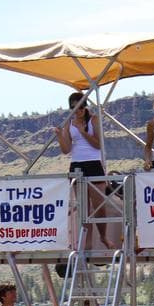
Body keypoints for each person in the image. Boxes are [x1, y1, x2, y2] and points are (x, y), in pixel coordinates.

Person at [54, 92, 114, 249]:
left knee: (98, 204)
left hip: (94, 164)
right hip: (77, 165)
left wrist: (83, 132)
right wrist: (60, 136)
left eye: (81, 107)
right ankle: (87, 241)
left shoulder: (93, 120)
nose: (78, 110)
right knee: (83, 207)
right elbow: (66, 149)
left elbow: (98, 144)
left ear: (85, 106)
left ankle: (103, 236)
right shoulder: (69, 124)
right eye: (74, 108)